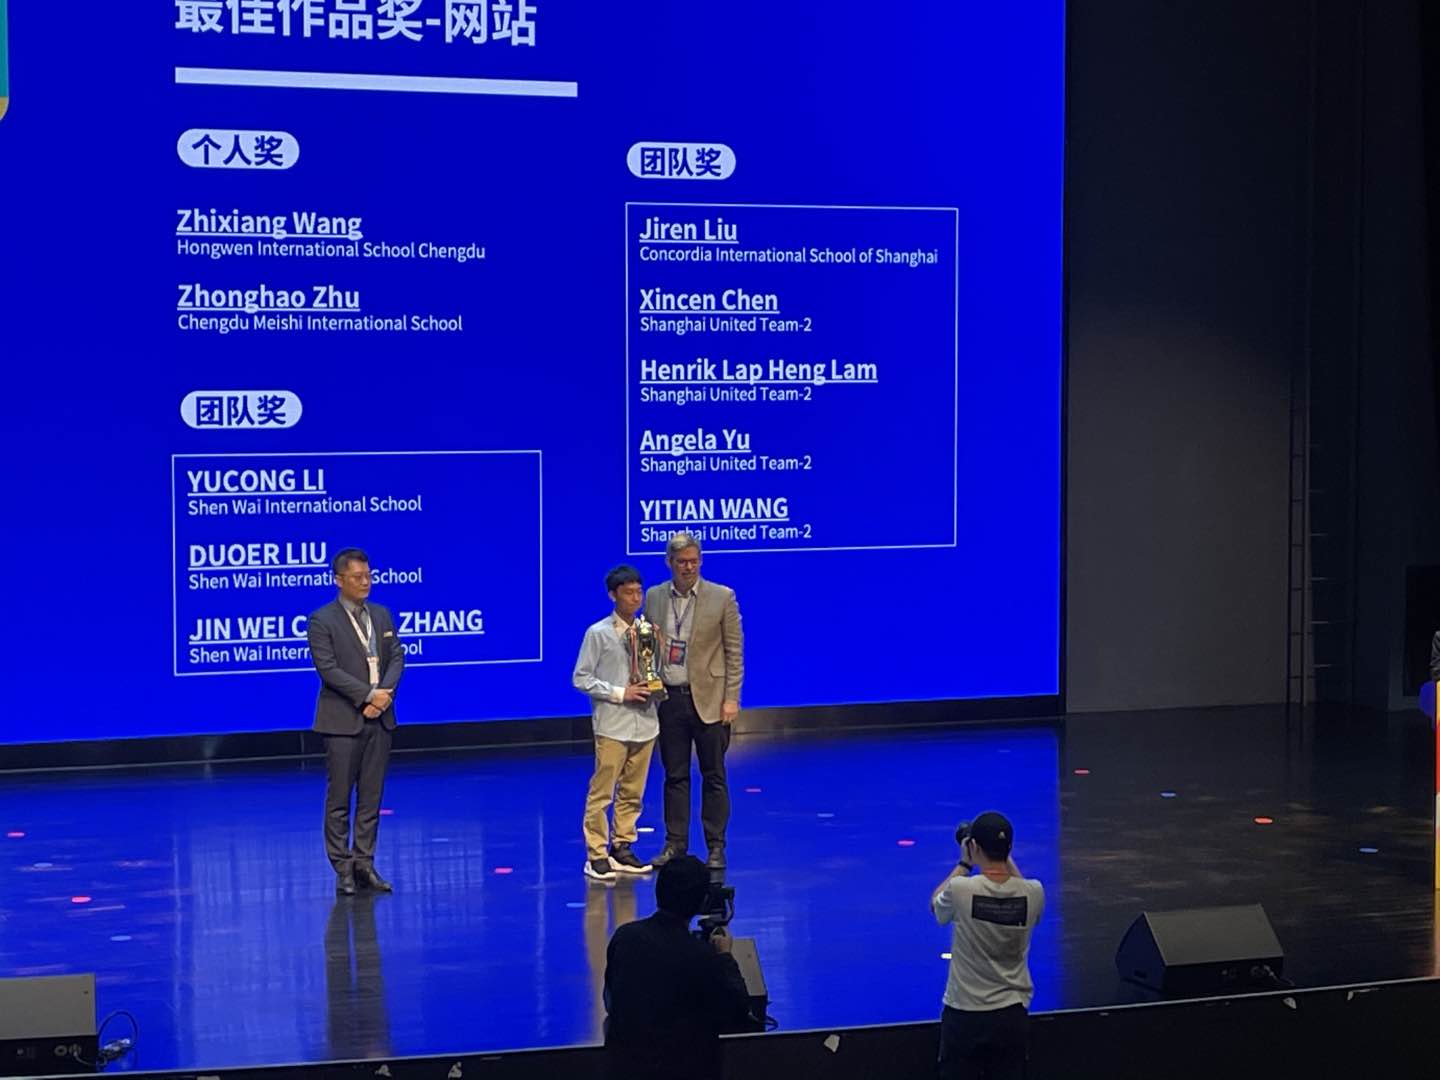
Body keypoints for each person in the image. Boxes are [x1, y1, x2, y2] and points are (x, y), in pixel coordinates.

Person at [603, 855, 752, 1079]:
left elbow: (611, 1002)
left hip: (626, 1069)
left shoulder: (625, 937)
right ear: (703, 900)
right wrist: (724, 957)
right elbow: (738, 1012)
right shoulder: (702, 956)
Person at [308, 547, 405, 896]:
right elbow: (328, 669)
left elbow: (397, 656)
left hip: (380, 717)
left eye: (368, 576)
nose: (365, 582)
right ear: (339, 580)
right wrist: (367, 696)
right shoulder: (322, 620)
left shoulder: (381, 614)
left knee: (371, 797)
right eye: (357, 577)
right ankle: (343, 868)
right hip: (343, 720)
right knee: (339, 799)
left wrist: (384, 696)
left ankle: (365, 863)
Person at [645, 532, 744, 869]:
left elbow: (734, 652)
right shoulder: (654, 597)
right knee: (674, 776)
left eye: (693, 561)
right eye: (681, 562)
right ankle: (675, 844)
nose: (688, 567)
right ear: (669, 563)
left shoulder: (722, 596)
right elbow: (647, 648)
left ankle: (716, 846)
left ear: (700, 561)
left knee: (713, 774)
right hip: (669, 699)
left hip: (710, 700)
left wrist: (731, 698)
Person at [930, 812, 1046, 1080]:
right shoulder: (1034, 893)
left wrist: (964, 863)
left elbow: (936, 906)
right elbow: (1020, 884)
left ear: (973, 846)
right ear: (1009, 848)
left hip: (965, 1015)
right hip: (1011, 1017)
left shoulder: (961, 889)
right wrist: (1004, 856)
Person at [574, 565, 663, 882]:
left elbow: (654, 671)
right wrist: (621, 692)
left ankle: (622, 846)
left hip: (646, 722)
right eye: (628, 593)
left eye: (639, 592)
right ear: (613, 595)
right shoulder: (598, 633)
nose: (635, 598)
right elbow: (581, 678)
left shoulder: (647, 630)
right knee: (603, 792)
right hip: (613, 724)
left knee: (633, 791)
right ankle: (596, 854)